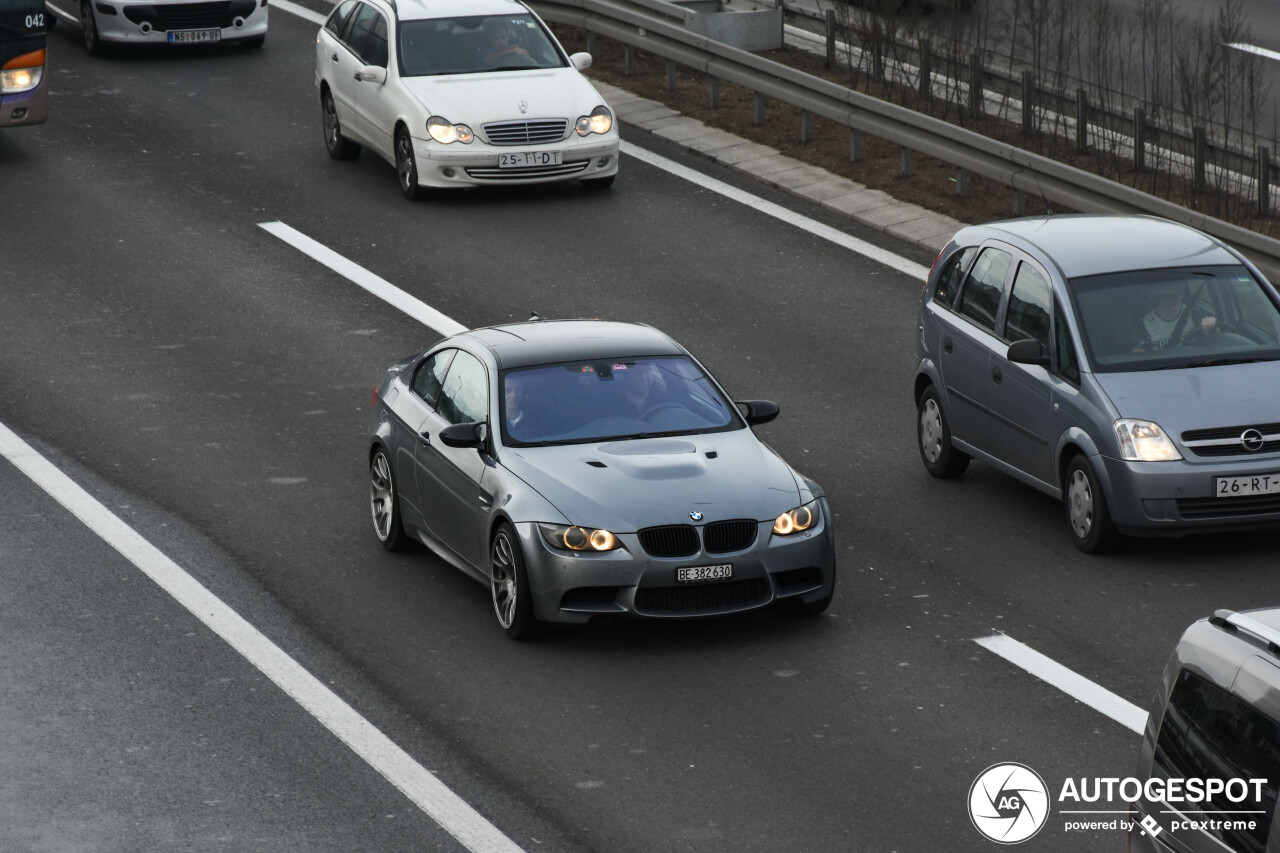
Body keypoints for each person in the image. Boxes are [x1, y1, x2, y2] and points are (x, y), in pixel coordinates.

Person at [1130, 280, 1218, 352]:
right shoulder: (1144, 324)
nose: (1176, 291)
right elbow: (1140, 357)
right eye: (1171, 287)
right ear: (1160, 291)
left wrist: (1210, 329)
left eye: (1180, 286)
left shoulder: (1195, 312)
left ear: (1184, 290)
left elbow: (1215, 341)